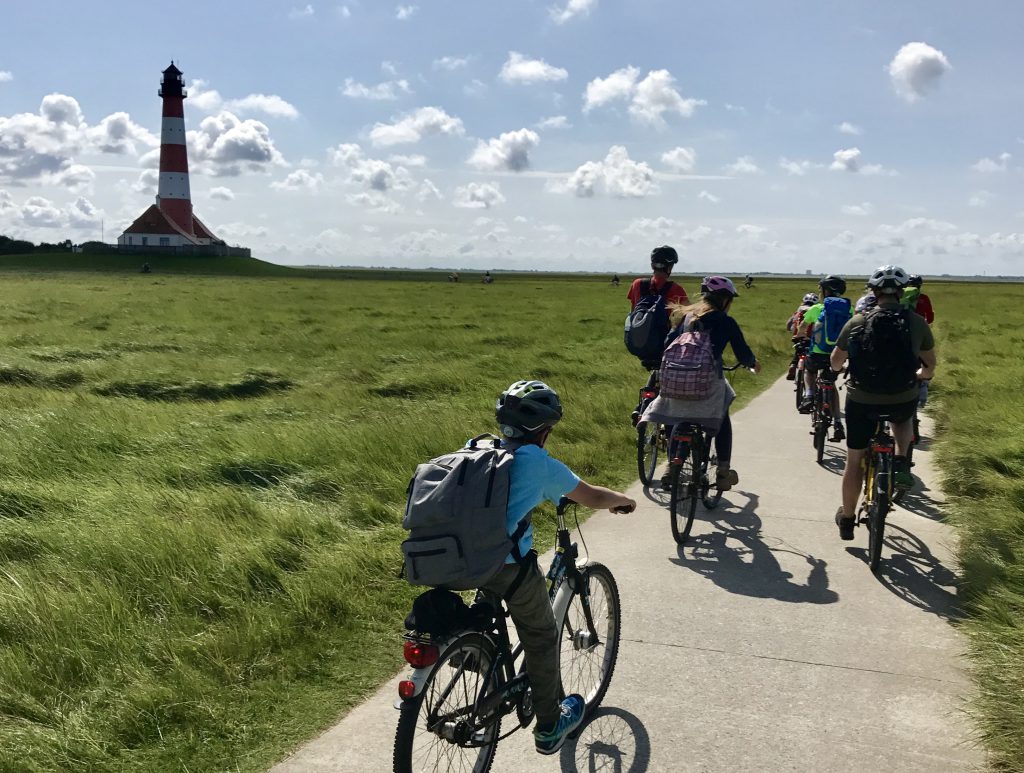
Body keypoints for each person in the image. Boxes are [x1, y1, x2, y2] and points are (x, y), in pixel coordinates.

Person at [491, 380, 636, 754]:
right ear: (543, 429)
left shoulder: (483, 449)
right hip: (506, 566)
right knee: (542, 636)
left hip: (467, 558)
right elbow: (590, 496)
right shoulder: (535, 461)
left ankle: (477, 656)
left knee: (489, 617)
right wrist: (622, 500)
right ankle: (550, 727)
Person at [829, 266, 937, 540]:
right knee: (903, 417)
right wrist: (922, 376)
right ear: (901, 293)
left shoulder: (857, 322)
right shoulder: (916, 322)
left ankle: (847, 517)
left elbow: (835, 361)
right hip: (902, 395)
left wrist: (840, 369)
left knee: (854, 462)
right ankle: (900, 460)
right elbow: (930, 365)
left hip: (862, 399)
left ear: (873, 292)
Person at [640, 276, 761, 491]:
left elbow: (668, 344)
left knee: (676, 415)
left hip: (676, 380)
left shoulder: (686, 317)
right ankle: (723, 471)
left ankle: (671, 465)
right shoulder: (726, 321)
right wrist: (753, 364)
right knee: (722, 414)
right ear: (724, 300)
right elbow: (743, 353)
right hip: (708, 384)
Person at [627, 246, 690, 423]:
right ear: (670, 267)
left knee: (655, 372)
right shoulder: (676, 289)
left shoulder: (637, 284)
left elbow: (634, 313)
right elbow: (689, 317)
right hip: (665, 346)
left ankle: (641, 407)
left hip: (639, 343)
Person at [798, 275, 852, 443]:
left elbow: (802, 327)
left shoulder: (817, 308)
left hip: (818, 352)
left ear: (825, 291)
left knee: (809, 370)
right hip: (837, 354)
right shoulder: (848, 309)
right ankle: (837, 423)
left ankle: (808, 395)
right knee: (831, 384)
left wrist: (801, 337)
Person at [785, 292, 818, 380]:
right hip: (811, 338)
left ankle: (793, 365)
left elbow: (788, 324)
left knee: (798, 351)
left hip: (797, 337)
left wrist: (790, 330)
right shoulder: (815, 310)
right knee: (812, 354)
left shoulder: (799, 310)